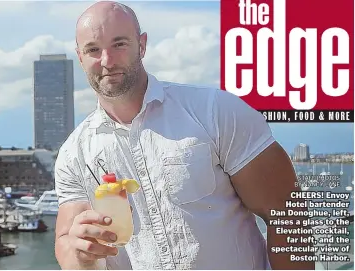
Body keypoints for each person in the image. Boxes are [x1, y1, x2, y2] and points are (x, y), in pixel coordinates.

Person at [53, 1, 314, 270]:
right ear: (80, 56)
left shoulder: (215, 111)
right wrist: (78, 252)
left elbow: (287, 214)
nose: (106, 60)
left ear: (141, 45)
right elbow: (65, 241)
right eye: (93, 50)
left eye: (119, 44)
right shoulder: (74, 154)